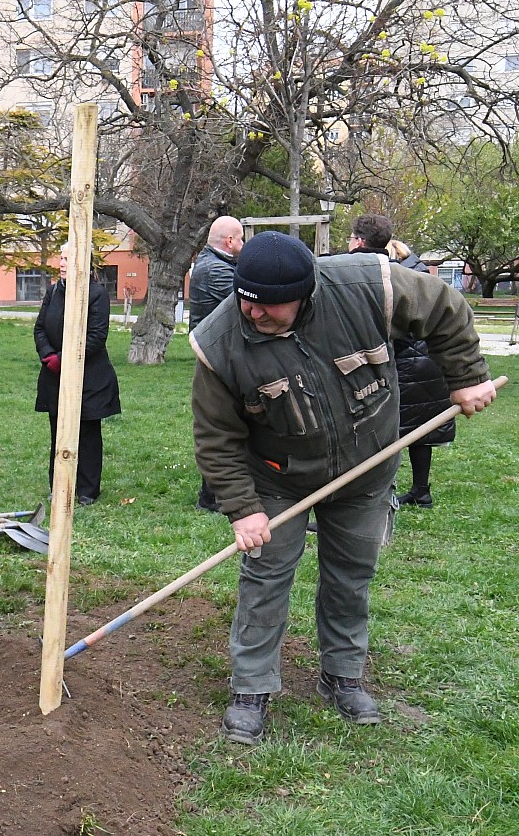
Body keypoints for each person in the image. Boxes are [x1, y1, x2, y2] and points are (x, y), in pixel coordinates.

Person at [190, 231, 497, 745]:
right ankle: (251, 689)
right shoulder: (221, 344)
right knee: (265, 580)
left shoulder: (367, 285)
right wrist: (243, 509)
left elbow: (446, 308)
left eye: (270, 307)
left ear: (307, 292)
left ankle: (343, 676)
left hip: (367, 467)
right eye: (246, 301)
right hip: (278, 476)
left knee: (351, 575)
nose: (254, 314)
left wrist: (465, 375)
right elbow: (217, 438)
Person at [348, 215, 454, 509]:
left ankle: (379, 498)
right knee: (420, 428)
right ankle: (421, 491)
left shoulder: (387, 277)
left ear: (360, 242)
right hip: (427, 360)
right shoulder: (418, 271)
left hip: (406, 360)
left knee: (384, 429)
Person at [33, 247, 120, 506]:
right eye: (61, 258)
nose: (62, 263)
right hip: (54, 375)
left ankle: (86, 489)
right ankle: (59, 485)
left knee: (87, 432)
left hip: (89, 377)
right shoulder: (53, 291)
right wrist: (49, 355)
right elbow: (39, 328)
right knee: (57, 430)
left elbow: (95, 336)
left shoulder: (96, 294)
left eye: (68, 259)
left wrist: (66, 359)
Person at [187, 215, 244, 513]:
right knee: (222, 428)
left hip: (219, 354)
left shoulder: (215, 264)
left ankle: (214, 496)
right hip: (218, 358)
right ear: (230, 241)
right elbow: (244, 306)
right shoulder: (216, 271)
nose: (243, 245)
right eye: (242, 239)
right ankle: (211, 497)